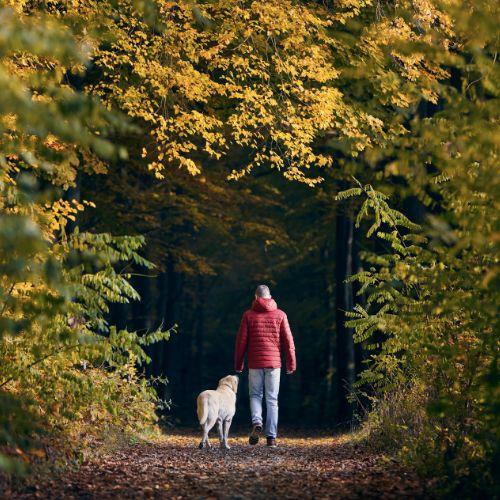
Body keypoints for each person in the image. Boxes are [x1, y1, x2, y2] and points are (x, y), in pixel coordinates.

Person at [234, 284, 296, 447]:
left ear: (256, 298)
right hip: (274, 364)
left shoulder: (248, 315)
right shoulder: (281, 315)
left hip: (255, 363)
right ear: (270, 297)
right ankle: (271, 438)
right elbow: (289, 342)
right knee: (272, 399)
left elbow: (241, 342)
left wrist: (239, 364)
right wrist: (291, 363)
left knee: (255, 395)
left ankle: (257, 422)